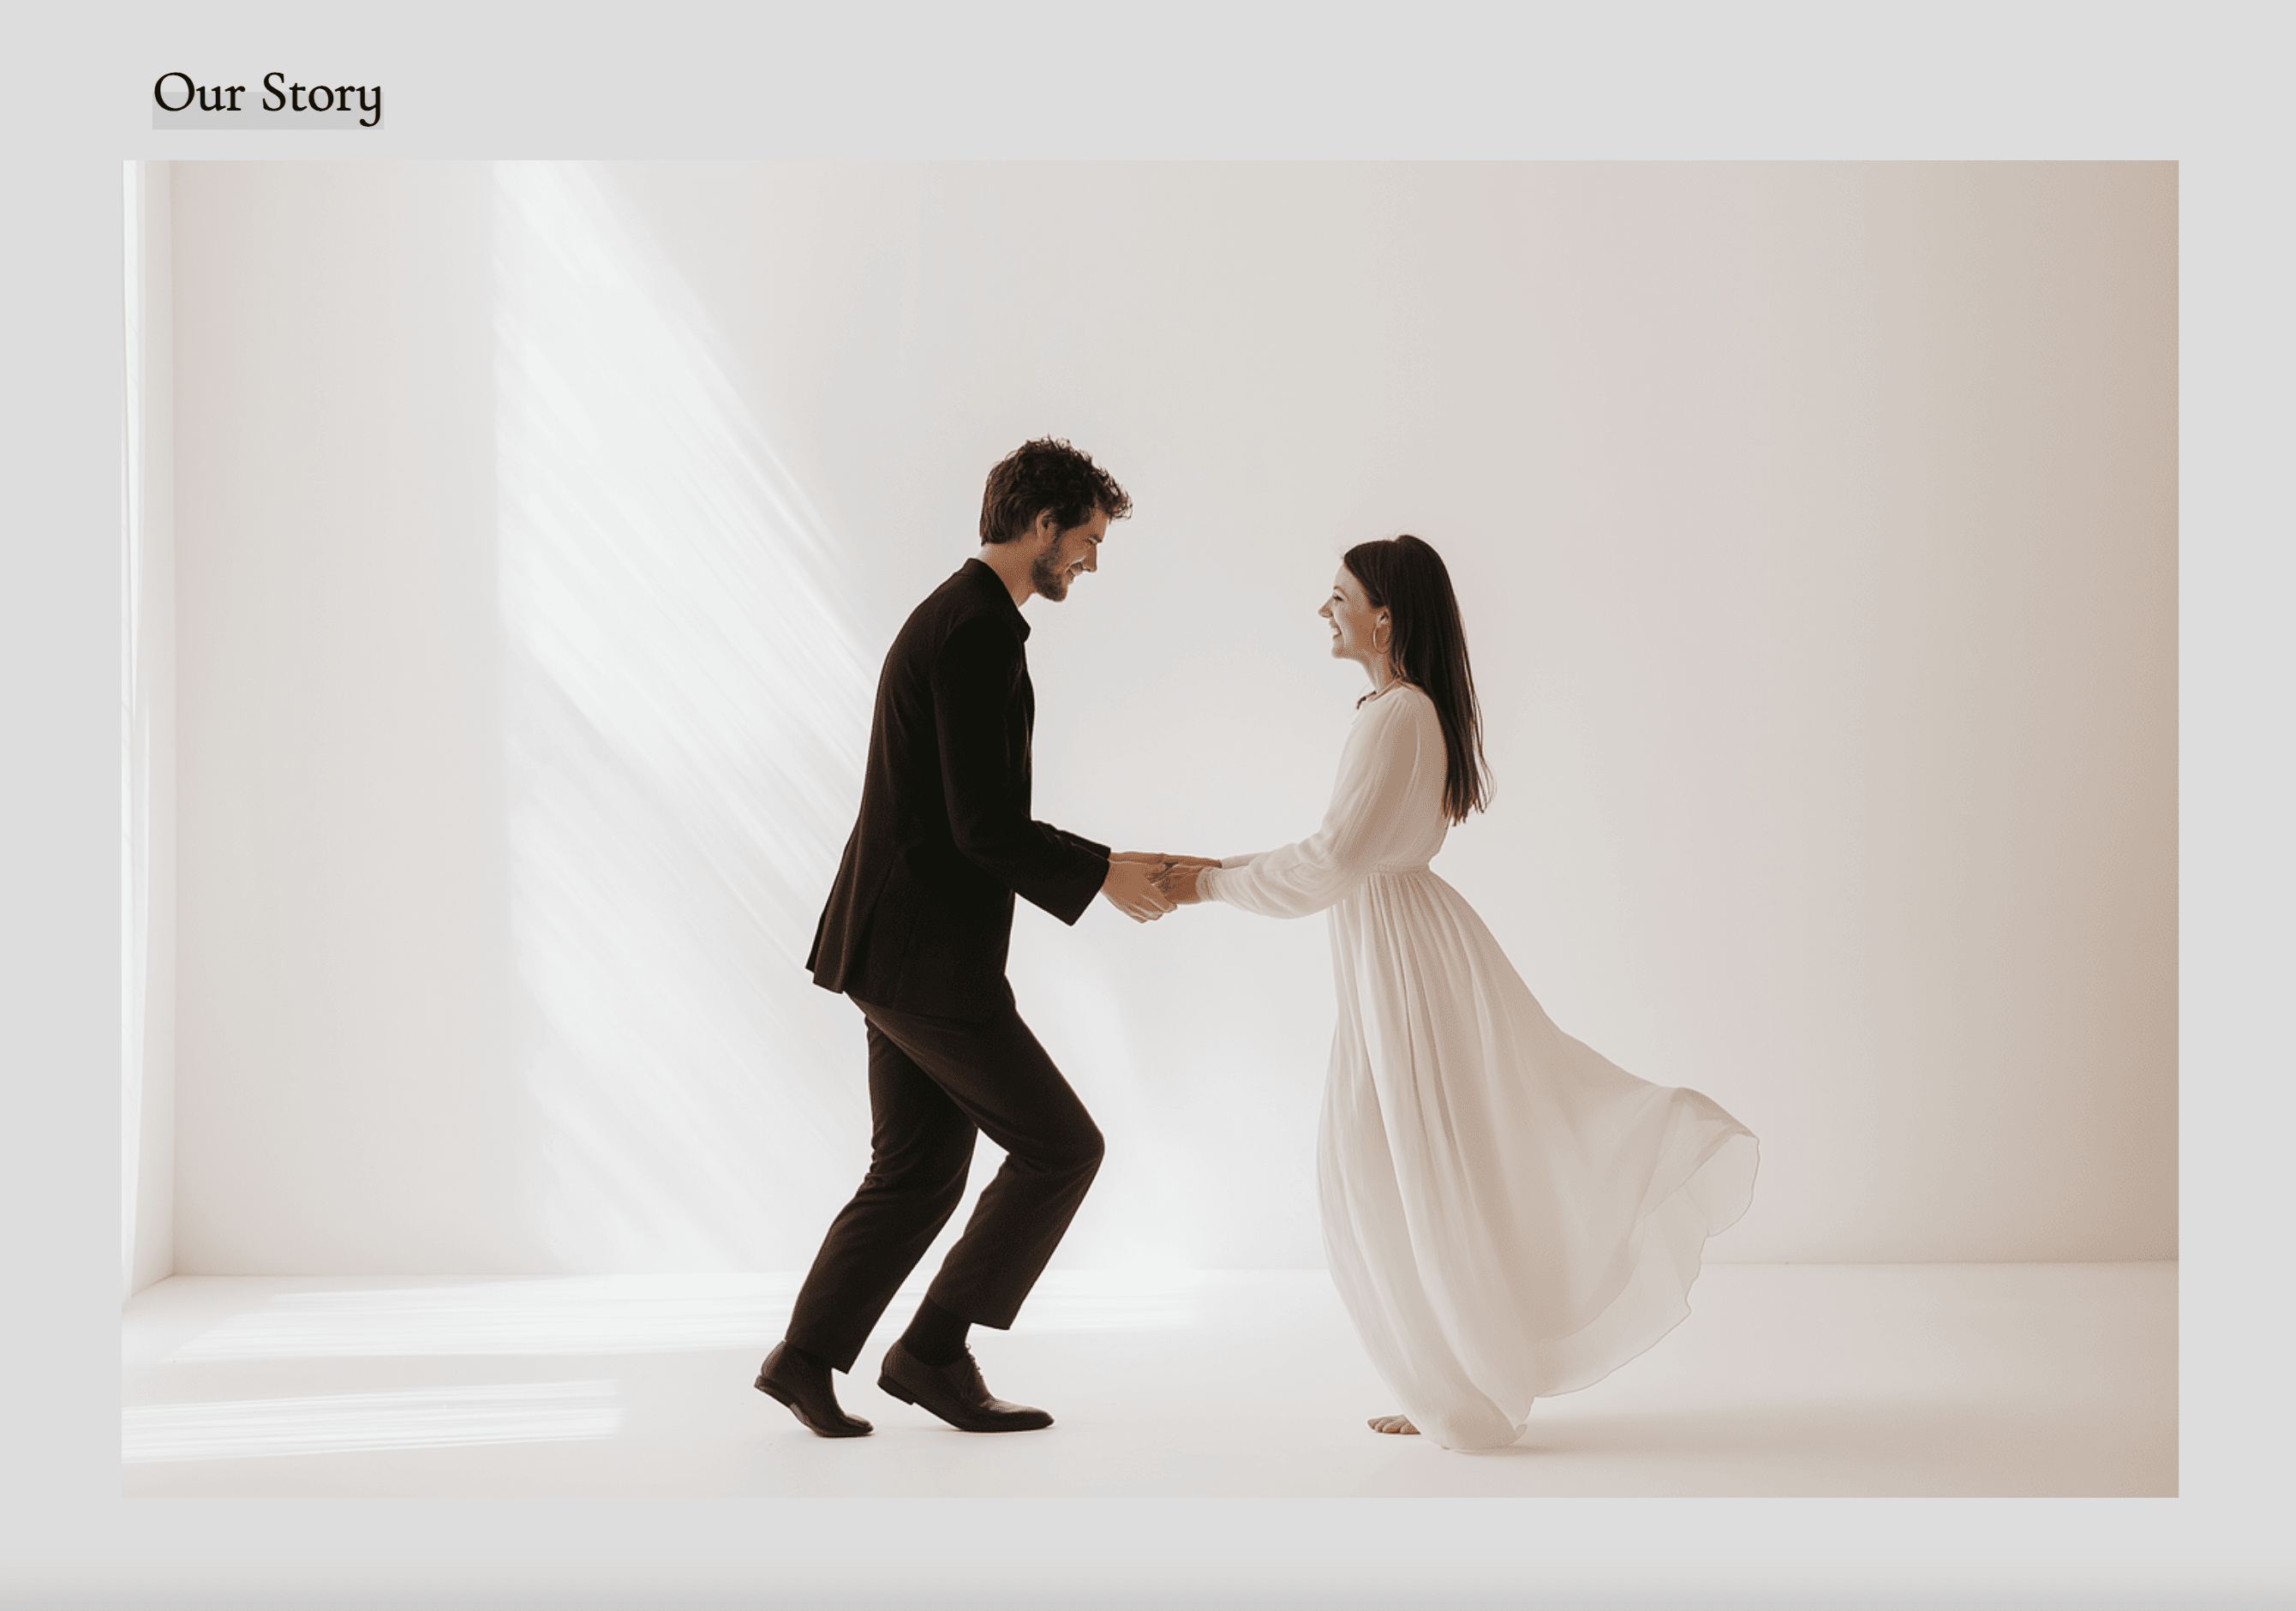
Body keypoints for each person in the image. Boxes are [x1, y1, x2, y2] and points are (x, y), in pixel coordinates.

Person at [1157, 535, 1759, 1451]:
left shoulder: (1397, 714)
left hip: (1401, 958)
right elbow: (1339, 854)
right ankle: (1451, 1386)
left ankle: (1461, 1395)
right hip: (1392, 951)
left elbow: (1330, 858)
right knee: (1388, 1168)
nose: (1324, 610)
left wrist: (1206, 880)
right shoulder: (1395, 711)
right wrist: (1217, 869)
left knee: (1395, 1169)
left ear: (1384, 614)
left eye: (1337, 596)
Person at [756, 439, 1205, 1438]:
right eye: (1086, 540)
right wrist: (1104, 871)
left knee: (916, 1168)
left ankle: (804, 1357)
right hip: (922, 958)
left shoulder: (962, 617)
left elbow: (964, 819)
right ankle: (931, 1350)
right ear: (1040, 525)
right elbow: (980, 825)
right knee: (1062, 1146)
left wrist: (1102, 861)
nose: (1090, 562)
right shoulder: (973, 632)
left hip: (892, 947)